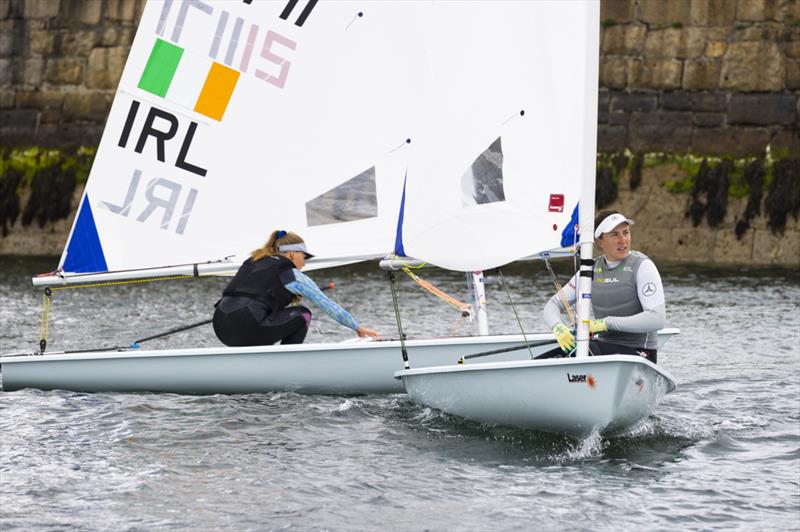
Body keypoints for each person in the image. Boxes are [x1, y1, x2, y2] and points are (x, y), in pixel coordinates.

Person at [213, 229, 379, 347]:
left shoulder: (252, 262)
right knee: (303, 314)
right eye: (304, 256)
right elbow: (326, 304)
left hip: (221, 325)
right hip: (248, 326)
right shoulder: (290, 275)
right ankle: (286, 362)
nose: (305, 262)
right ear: (292, 254)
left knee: (268, 314)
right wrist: (358, 327)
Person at [540, 210, 666, 363]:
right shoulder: (590, 270)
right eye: (614, 235)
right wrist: (558, 327)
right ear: (600, 242)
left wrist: (604, 324)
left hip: (640, 353)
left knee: (584, 352)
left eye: (625, 232)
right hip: (603, 348)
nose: (623, 240)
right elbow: (553, 304)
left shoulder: (643, 267)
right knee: (543, 360)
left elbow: (657, 319)